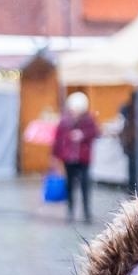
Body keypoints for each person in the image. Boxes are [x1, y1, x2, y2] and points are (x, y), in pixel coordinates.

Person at [52, 91, 99, 223]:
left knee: (85, 185)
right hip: (69, 158)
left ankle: (86, 212)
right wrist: (55, 156)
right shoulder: (64, 121)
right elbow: (58, 139)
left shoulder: (88, 120)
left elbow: (96, 132)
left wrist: (82, 134)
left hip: (83, 158)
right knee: (70, 185)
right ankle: (70, 210)